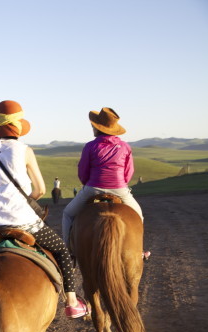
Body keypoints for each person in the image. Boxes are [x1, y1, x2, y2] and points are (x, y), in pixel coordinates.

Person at [0, 100, 89, 319]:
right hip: (22, 221)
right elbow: (40, 189)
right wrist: (25, 201)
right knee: (60, 249)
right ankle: (71, 302)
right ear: (17, 127)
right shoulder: (24, 150)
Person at [61, 107, 150, 260]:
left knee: (68, 214)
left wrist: (88, 183)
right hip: (120, 189)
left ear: (97, 127)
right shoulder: (125, 147)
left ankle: (69, 251)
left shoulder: (90, 146)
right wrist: (121, 184)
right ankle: (139, 252)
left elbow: (83, 171)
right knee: (138, 215)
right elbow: (129, 172)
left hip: (93, 188)